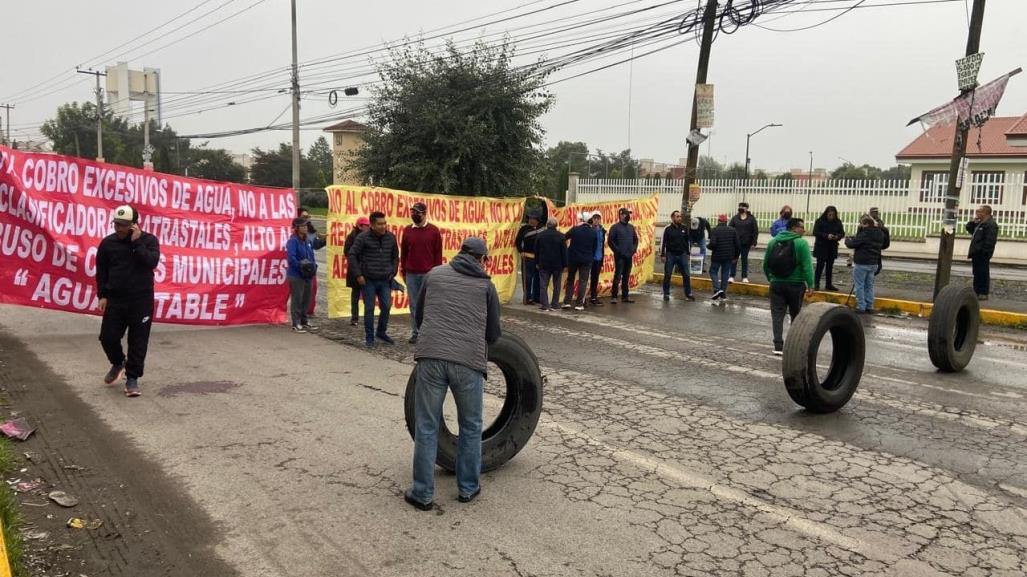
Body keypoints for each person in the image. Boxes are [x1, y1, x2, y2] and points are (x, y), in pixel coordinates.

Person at [406, 237, 501, 510]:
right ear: (482, 259)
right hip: (467, 363)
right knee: (471, 427)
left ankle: (422, 494)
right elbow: (493, 335)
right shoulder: (486, 285)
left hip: (431, 357)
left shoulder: (434, 274)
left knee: (427, 426)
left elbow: (420, 315)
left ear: (460, 253)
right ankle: (468, 489)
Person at [96, 204, 161, 398]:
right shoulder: (107, 244)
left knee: (138, 341)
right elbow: (102, 271)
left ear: (133, 225)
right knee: (107, 337)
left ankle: (132, 378)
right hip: (116, 299)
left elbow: (152, 262)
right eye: (116, 224)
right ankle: (118, 362)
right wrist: (103, 295)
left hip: (141, 300)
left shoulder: (149, 241)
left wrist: (136, 242)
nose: (118, 228)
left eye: (123, 225)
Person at [763, 217, 815, 354]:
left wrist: (771, 278)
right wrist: (811, 284)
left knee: (777, 315)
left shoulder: (773, 242)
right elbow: (807, 266)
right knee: (795, 315)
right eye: (802, 227)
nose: (804, 230)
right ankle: (793, 346)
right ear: (794, 228)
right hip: (796, 284)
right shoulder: (801, 244)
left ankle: (778, 346)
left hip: (776, 284)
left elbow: (765, 264)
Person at [348, 211, 400, 347]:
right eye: (379, 224)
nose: (383, 226)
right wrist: (358, 275)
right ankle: (369, 337)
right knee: (369, 308)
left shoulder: (391, 237)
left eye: (384, 223)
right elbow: (352, 255)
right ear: (371, 225)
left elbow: (395, 256)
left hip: (385, 280)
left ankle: (381, 332)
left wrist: (393, 271)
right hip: (368, 280)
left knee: (387, 306)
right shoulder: (363, 238)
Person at [401, 202, 443, 344]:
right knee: (414, 305)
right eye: (412, 212)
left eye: (417, 213)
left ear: (425, 214)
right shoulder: (407, 230)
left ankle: (428, 333)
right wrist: (403, 271)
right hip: (411, 274)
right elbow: (404, 253)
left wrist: (436, 273)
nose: (414, 215)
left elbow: (438, 254)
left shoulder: (434, 231)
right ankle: (416, 333)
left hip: (428, 274)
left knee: (428, 305)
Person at [845, 215, 886, 314]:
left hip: (862, 263)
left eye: (862, 224)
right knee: (869, 285)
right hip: (873, 263)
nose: (861, 226)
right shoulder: (880, 233)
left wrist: (847, 239)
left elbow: (852, 244)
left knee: (859, 285)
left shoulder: (865, 233)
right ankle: (869, 306)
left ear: (867, 224)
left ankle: (861, 306)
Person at [286, 217, 319, 333]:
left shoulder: (307, 241)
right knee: (297, 299)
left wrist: (314, 266)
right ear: (296, 228)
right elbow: (291, 258)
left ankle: (304, 321)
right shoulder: (293, 241)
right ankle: (296, 323)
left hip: (308, 275)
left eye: (306, 226)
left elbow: (311, 256)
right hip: (296, 275)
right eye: (303, 226)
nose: (306, 228)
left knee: (306, 298)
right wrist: (301, 266)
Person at [563, 212, 597, 311]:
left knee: (570, 279)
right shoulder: (593, 232)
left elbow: (564, 237)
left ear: (582, 220)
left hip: (573, 258)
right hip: (586, 260)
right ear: (590, 220)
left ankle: (567, 302)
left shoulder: (575, 229)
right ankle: (579, 304)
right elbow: (594, 248)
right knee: (583, 281)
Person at [297, 207, 326, 317]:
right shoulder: (293, 232)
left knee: (312, 289)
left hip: (310, 266)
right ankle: (298, 313)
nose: (307, 219)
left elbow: (315, 245)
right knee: (299, 291)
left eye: (308, 216)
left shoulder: (311, 231)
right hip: (298, 265)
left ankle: (308, 311)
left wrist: (325, 240)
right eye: (304, 217)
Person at [966, 205, 999, 301]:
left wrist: (985, 252)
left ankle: (983, 292)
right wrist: (972, 222)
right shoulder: (979, 223)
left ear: (985, 213)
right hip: (976, 252)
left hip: (982, 253)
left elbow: (990, 240)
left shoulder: (990, 224)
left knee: (983, 272)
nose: (977, 213)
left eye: (979, 211)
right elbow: (969, 229)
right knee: (976, 272)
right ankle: (976, 291)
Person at [534, 217, 567, 311]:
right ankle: (555, 304)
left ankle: (545, 305)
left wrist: (537, 262)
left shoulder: (540, 235)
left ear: (547, 225)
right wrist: (565, 265)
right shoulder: (561, 236)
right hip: (557, 265)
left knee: (543, 285)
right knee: (557, 285)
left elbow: (536, 251)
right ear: (556, 225)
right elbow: (564, 252)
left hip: (543, 264)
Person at [661, 210, 694, 301]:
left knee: (686, 275)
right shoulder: (667, 229)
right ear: (672, 218)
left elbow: (688, 242)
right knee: (668, 275)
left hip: (682, 255)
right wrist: (662, 254)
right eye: (677, 216)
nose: (679, 218)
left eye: (680, 216)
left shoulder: (684, 228)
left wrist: (688, 253)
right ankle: (666, 293)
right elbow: (663, 242)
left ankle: (688, 293)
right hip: (670, 255)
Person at [608, 207, 639, 303]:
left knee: (626, 276)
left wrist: (633, 250)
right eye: (626, 214)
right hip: (620, 257)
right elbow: (610, 241)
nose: (628, 216)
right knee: (618, 276)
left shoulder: (631, 227)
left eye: (628, 214)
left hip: (629, 256)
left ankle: (625, 296)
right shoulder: (615, 227)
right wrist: (618, 251)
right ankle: (614, 296)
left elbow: (636, 240)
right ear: (621, 215)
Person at [343, 217, 371, 326]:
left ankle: (367, 317)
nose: (368, 227)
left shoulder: (369, 236)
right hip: (355, 271)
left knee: (367, 295)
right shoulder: (352, 237)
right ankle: (354, 318)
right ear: (360, 226)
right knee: (355, 295)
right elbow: (347, 252)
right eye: (366, 225)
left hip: (367, 270)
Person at [707, 214, 740, 301]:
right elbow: (737, 245)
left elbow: (713, 244)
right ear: (726, 221)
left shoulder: (714, 230)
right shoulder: (733, 230)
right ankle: (723, 293)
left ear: (718, 221)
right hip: (729, 256)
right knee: (725, 273)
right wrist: (736, 256)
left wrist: (708, 246)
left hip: (717, 256)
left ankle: (717, 289)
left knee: (713, 271)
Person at [812, 205, 845, 291]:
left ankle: (828, 284)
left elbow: (842, 233)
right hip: (821, 246)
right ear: (826, 214)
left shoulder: (838, 222)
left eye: (833, 215)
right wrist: (826, 235)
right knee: (820, 266)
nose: (831, 217)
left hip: (832, 247)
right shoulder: (820, 221)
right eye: (829, 214)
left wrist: (837, 236)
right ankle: (816, 283)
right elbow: (815, 232)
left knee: (830, 267)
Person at [515, 212, 543, 305]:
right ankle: (527, 298)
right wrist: (521, 251)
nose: (531, 220)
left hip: (539, 258)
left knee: (538, 278)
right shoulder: (524, 229)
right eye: (530, 218)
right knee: (527, 278)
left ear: (538, 221)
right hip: (527, 257)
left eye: (533, 219)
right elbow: (518, 241)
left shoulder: (541, 229)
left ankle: (537, 297)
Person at [728, 202, 759, 283]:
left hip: (746, 243)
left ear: (746, 208)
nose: (741, 208)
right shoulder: (735, 218)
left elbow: (755, 230)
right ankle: (731, 276)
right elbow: (730, 229)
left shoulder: (751, 218)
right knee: (734, 259)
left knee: (744, 259)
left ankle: (744, 276)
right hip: (735, 243)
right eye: (740, 206)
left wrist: (754, 242)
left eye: (743, 207)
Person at [588, 211, 606, 306]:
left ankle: (593, 297)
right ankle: (582, 299)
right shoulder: (589, 229)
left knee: (595, 278)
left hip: (598, 258)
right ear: (592, 219)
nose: (596, 220)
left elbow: (602, 245)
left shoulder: (602, 230)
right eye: (594, 218)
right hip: (590, 258)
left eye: (598, 218)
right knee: (586, 278)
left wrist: (602, 258)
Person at [868, 206, 891, 275]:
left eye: (876, 212)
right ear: (870, 213)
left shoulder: (879, 221)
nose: (875, 214)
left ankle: (871, 276)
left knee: (878, 265)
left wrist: (878, 226)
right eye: (874, 212)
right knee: (867, 266)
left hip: (876, 246)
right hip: (868, 246)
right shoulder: (866, 220)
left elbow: (882, 228)